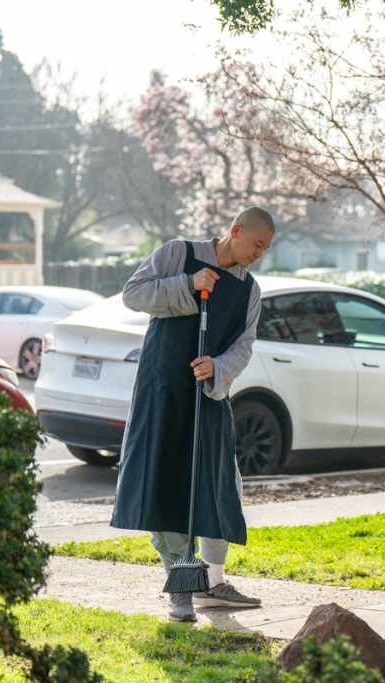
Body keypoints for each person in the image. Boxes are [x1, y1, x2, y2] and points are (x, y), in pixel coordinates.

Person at [110, 207, 275, 622]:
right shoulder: (177, 254)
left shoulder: (249, 290)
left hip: (209, 397)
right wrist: (187, 285)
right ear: (235, 231)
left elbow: (244, 345)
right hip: (162, 393)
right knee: (167, 485)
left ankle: (215, 583)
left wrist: (217, 367)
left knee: (218, 485)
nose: (259, 254)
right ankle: (181, 587)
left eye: (265, 249)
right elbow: (133, 293)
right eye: (257, 244)